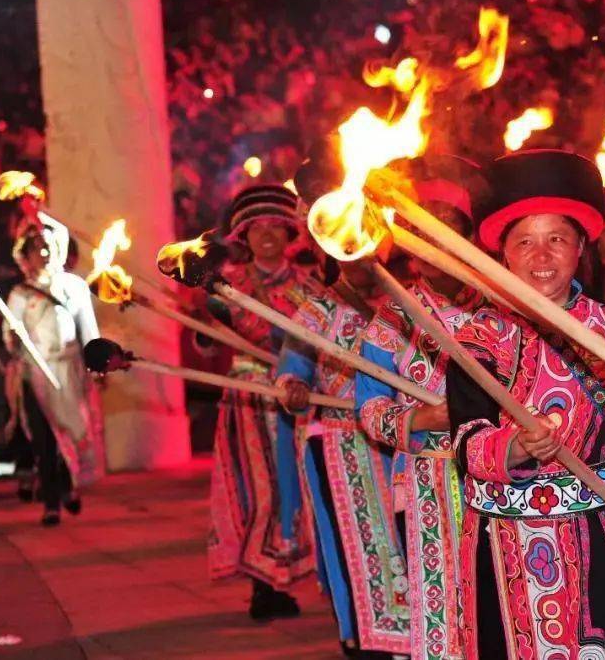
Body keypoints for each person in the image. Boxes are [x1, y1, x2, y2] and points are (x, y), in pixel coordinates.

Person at [447, 150, 605, 660]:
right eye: (524, 241)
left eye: (556, 240)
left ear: (580, 251)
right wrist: (516, 447)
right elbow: (466, 441)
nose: (541, 256)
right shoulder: (479, 339)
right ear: (503, 253)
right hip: (514, 541)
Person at [356, 158, 485, 660]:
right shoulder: (392, 316)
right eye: (419, 229)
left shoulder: (498, 308)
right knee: (437, 606)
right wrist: (418, 420)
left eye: (447, 227)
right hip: (426, 482)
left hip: (497, 479)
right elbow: (367, 408)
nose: (432, 241)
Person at [277, 256, 411, 658]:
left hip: (406, 441)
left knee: (411, 546)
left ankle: (419, 640)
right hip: (345, 445)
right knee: (364, 554)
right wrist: (294, 386)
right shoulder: (318, 310)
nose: (360, 262)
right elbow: (292, 368)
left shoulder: (407, 305)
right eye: (348, 252)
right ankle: (372, 643)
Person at [207, 183, 316, 620]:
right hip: (249, 400)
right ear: (244, 236)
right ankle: (262, 584)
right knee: (259, 490)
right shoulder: (227, 285)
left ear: (290, 234)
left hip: (296, 399)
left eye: (277, 227)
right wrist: (210, 321)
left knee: (295, 491)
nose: (268, 236)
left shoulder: (309, 285)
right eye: (258, 229)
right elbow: (210, 343)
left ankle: (283, 578)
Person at [4, 214, 103, 525]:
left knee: (73, 434)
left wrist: (98, 363)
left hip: (71, 372)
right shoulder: (20, 294)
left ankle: (69, 487)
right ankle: (51, 502)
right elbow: (11, 337)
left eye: (48, 247)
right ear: (26, 255)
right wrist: (15, 337)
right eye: (36, 249)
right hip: (36, 374)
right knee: (45, 438)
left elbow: (88, 331)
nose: (44, 254)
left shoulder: (74, 287)